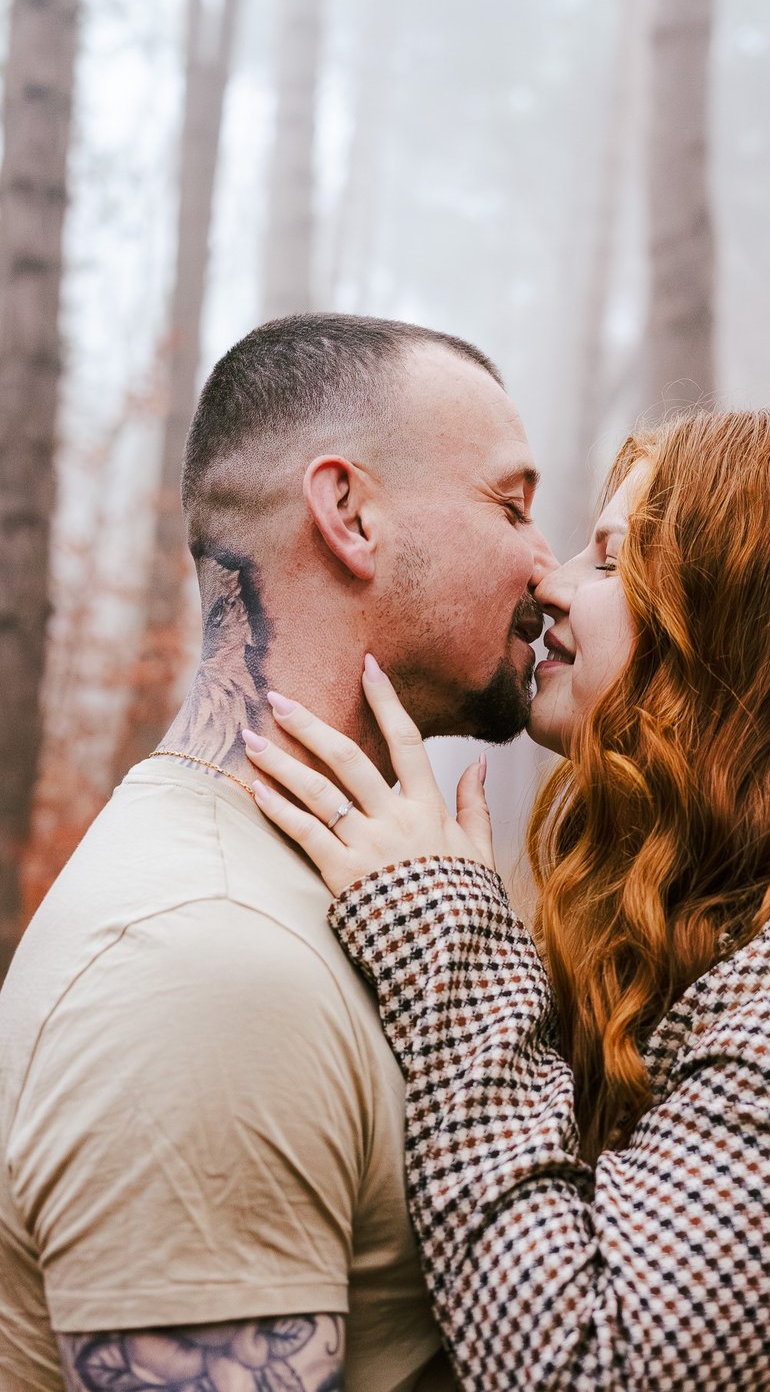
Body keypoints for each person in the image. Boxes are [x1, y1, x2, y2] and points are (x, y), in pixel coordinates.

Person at [247, 409, 770, 1390]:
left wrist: (443, 936)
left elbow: (589, 1365)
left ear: (752, 633)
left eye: (612, 560)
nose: (551, 582)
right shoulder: (719, 920)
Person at [0, 313, 555, 1392]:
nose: (548, 563)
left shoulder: (315, 893)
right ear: (349, 514)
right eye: (511, 505)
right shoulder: (201, 964)